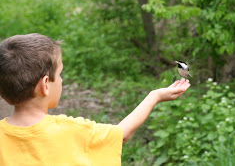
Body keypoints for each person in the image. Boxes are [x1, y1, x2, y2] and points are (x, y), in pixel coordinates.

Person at [0, 33, 191, 165]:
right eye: (59, 74)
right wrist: (154, 96)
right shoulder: (74, 130)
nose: (62, 80)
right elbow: (121, 134)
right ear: (45, 85)